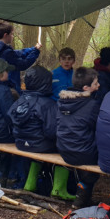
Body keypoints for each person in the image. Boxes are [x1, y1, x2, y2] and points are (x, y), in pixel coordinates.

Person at [10, 65, 74, 200]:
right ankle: (59, 189)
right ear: (45, 83)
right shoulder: (47, 104)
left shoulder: (21, 100)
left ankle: (30, 184)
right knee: (66, 150)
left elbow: (11, 119)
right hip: (40, 145)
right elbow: (52, 132)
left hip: (20, 143)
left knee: (40, 153)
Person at [57, 67, 102, 208]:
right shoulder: (92, 105)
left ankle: (81, 196)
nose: (99, 85)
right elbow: (100, 128)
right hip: (83, 152)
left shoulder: (61, 101)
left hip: (64, 150)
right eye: (96, 83)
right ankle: (82, 198)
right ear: (85, 88)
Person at [0, 22, 41, 95]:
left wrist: (33, 49)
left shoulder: (2, 50)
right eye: (11, 34)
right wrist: (35, 52)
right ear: (6, 35)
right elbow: (23, 64)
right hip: (11, 88)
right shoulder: (6, 53)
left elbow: (19, 53)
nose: (13, 36)